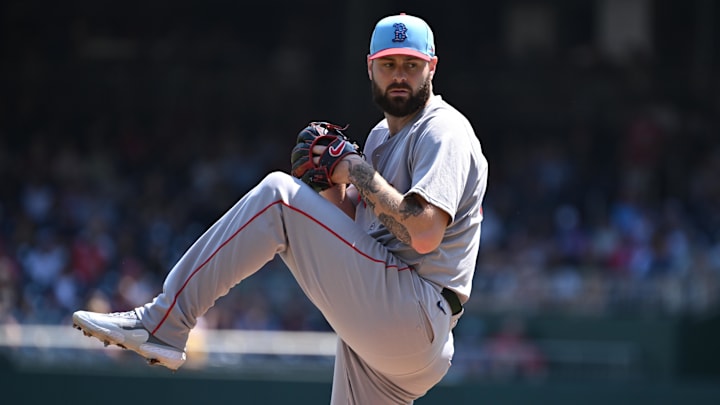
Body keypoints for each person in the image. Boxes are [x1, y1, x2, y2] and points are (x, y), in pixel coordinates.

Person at [72, 12, 488, 404]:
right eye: (389, 63)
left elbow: (425, 231)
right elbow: (360, 234)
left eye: (411, 65)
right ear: (370, 68)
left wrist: (353, 168)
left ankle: (163, 323)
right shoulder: (381, 136)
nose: (399, 74)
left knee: (278, 196)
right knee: (293, 201)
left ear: (431, 67)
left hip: (414, 311)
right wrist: (327, 184)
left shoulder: (443, 129)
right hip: (392, 330)